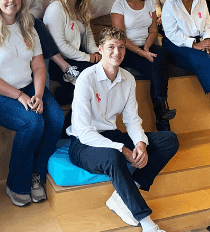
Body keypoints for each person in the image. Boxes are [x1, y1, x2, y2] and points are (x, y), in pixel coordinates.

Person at [67, 27, 179, 232]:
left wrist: (140, 143)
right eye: (111, 47)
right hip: (83, 143)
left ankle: (122, 196)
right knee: (113, 156)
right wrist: (122, 149)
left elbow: (132, 120)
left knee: (168, 140)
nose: (116, 53)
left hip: (111, 135)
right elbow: (84, 132)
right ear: (100, 49)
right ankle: (148, 224)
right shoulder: (86, 78)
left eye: (120, 47)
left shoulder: (128, 79)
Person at [0, 0, 64, 206]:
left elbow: (39, 67)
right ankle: (16, 184)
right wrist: (20, 96)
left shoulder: (29, 28)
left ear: (22, 0)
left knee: (55, 118)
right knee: (33, 123)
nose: (11, 0)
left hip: (30, 87)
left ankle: (36, 174)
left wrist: (40, 95)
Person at [111, 0, 174, 131]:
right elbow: (120, 36)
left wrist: (147, 46)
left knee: (160, 55)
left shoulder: (149, 2)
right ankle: (162, 115)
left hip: (146, 46)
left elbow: (153, 30)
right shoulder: (119, 4)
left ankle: (161, 109)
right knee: (155, 65)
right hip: (127, 50)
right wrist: (141, 52)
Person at [43, 0, 100, 105]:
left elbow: (89, 35)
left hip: (77, 57)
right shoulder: (56, 8)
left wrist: (95, 52)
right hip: (59, 62)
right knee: (90, 79)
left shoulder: (80, 7)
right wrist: (88, 57)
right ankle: (62, 96)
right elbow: (60, 46)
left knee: (103, 71)